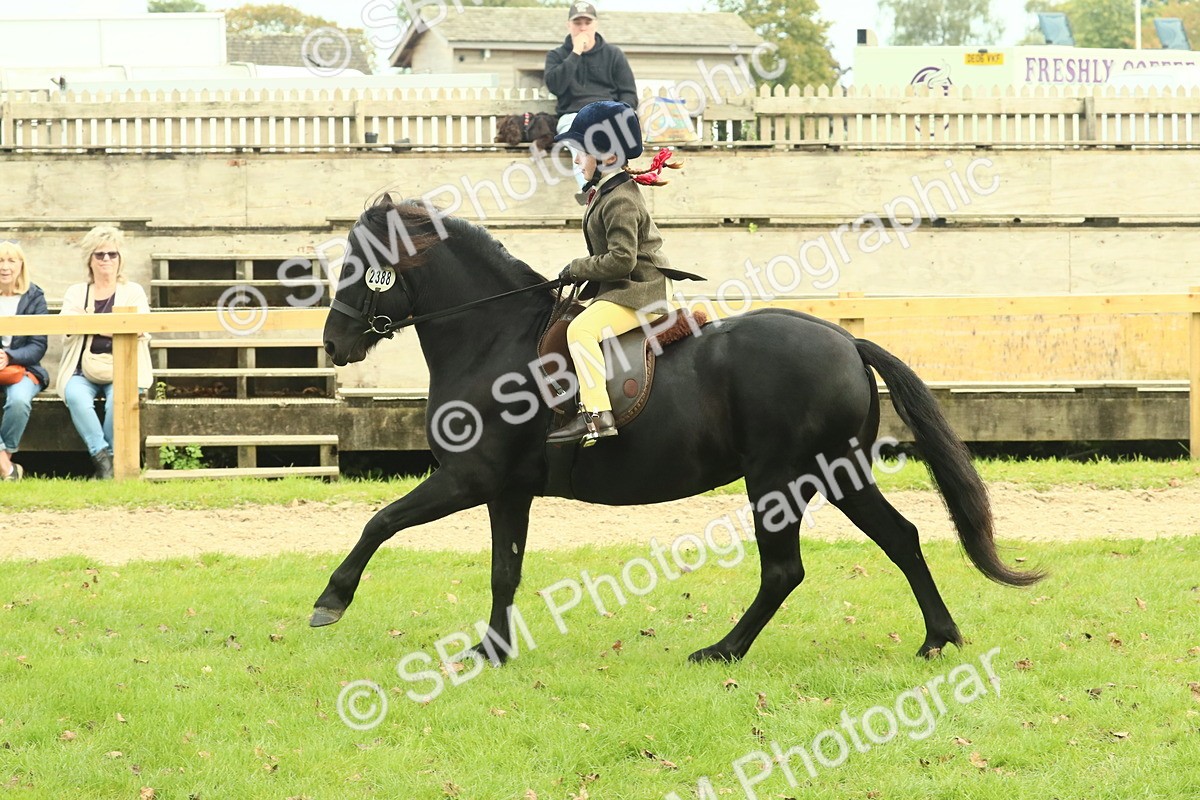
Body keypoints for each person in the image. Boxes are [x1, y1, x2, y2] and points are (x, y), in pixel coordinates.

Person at [547, 100, 682, 445]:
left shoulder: (620, 198)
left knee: (581, 331)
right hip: (625, 287)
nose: (576, 161)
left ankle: (597, 415)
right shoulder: (608, 190)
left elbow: (622, 260)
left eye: (581, 152)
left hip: (641, 291)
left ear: (606, 156)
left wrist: (577, 267)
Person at [55, 226, 153, 480]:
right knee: (75, 396)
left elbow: (140, 329)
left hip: (124, 368)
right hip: (83, 368)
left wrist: (92, 323)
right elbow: (67, 327)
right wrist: (115, 327)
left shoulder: (133, 291)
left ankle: (107, 465)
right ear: (90, 260)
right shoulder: (77, 292)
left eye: (112, 254)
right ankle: (103, 458)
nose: (106, 259)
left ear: (120, 259)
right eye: (99, 255)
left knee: (117, 402)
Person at [544, 1, 638, 203]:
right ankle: (591, 193)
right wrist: (575, 53)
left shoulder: (613, 55)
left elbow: (629, 94)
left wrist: (619, 117)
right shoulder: (557, 55)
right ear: (569, 25)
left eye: (587, 22)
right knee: (580, 142)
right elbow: (555, 86)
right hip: (573, 116)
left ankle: (613, 196)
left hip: (607, 115)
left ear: (595, 24)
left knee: (614, 145)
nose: (583, 27)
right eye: (577, 22)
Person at [0, 241, 49, 480]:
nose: (5, 267)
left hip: (24, 368)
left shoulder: (34, 296)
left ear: (21, 265)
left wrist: (9, 356)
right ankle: (7, 469)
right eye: (0, 261)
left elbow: (38, 345)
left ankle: (5, 459)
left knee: (19, 401)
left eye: (11, 261)